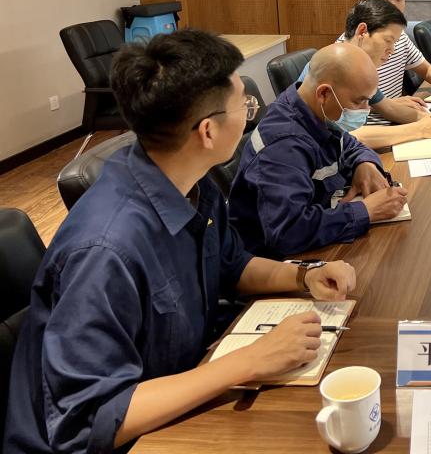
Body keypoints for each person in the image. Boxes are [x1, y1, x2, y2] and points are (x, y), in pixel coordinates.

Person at [4, 30, 359, 453]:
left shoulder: (189, 181)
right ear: (207, 131)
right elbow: (88, 421)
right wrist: (249, 361)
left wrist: (303, 276)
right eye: (245, 104)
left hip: (181, 384)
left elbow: (232, 264)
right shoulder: (104, 251)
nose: (251, 113)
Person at [229, 42, 408, 259]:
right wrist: (366, 211)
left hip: (321, 220)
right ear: (324, 93)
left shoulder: (314, 108)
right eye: (359, 101)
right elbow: (288, 233)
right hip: (276, 261)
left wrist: (365, 163)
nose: (366, 110)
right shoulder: (283, 146)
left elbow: (349, 144)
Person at [339, 0, 431, 150]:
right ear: (362, 31)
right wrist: (419, 129)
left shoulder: (363, 67)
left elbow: (389, 108)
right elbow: (349, 136)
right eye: (388, 40)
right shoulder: (336, 66)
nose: (392, 50)